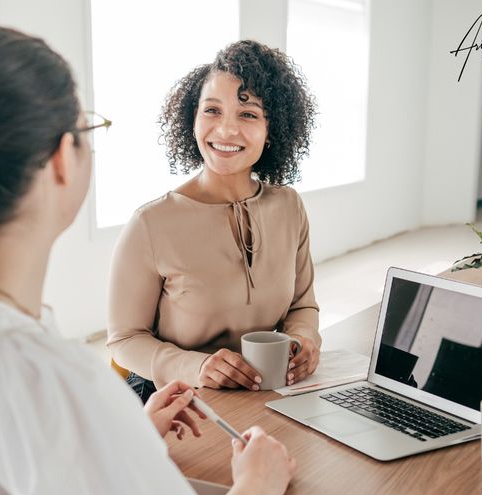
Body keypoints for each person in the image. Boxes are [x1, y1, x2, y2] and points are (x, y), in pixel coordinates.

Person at [0, 25, 399, 495]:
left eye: (248, 113)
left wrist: (130, 435)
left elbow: (33, 486)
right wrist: (255, 486)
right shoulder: (44, 368)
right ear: (62, 159)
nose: (227, 127)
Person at [107, 40, 321, 401]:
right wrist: (196, 367)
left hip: (264, 395)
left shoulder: (288, 206)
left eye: (248, 114)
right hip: (175, 401)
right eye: (212, 111)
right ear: (192, 119)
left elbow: (302, 305)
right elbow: (124, 341)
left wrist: (305, 340)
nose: (225, 130)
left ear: (273, 130)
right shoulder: (151, 223)